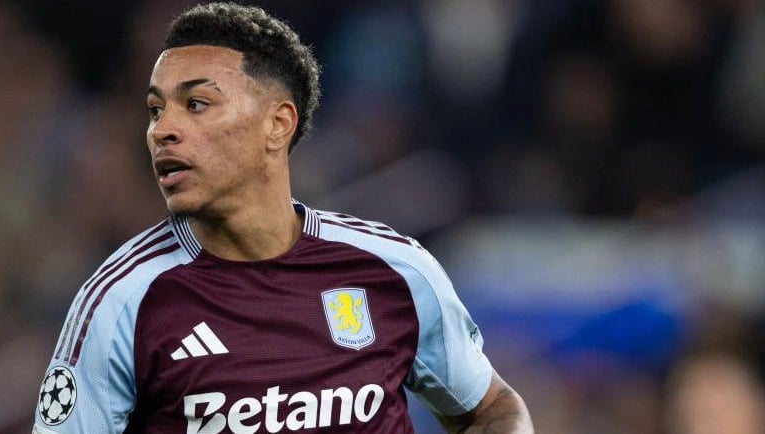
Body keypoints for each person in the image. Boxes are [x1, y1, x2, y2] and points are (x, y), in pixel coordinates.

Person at [33, 3, 533, 433]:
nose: (163, 129)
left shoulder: (394, 270)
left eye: (197, 104)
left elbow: (493, 409)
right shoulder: (124, 300)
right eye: (155, 110)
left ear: (277, 124)